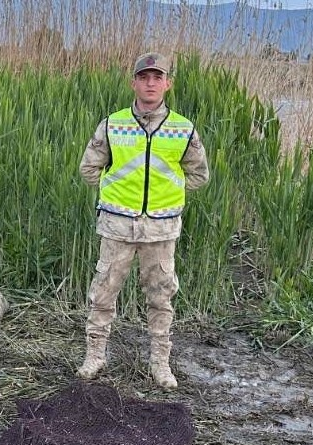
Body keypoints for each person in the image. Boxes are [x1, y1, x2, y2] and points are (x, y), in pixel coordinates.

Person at [76, 51, 210, 389]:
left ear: (167, 83)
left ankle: (160, 364)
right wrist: (115, 194)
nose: (151, 83)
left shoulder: (183, 129)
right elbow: (89, 169)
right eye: (144, 77)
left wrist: (169, 195)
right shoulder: (113, 123)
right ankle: (95, 356)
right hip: (117, 226)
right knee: (103, 292)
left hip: (161, 230)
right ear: (134, 82)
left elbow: (199, 175)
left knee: (161, 296)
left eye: (157, 77)